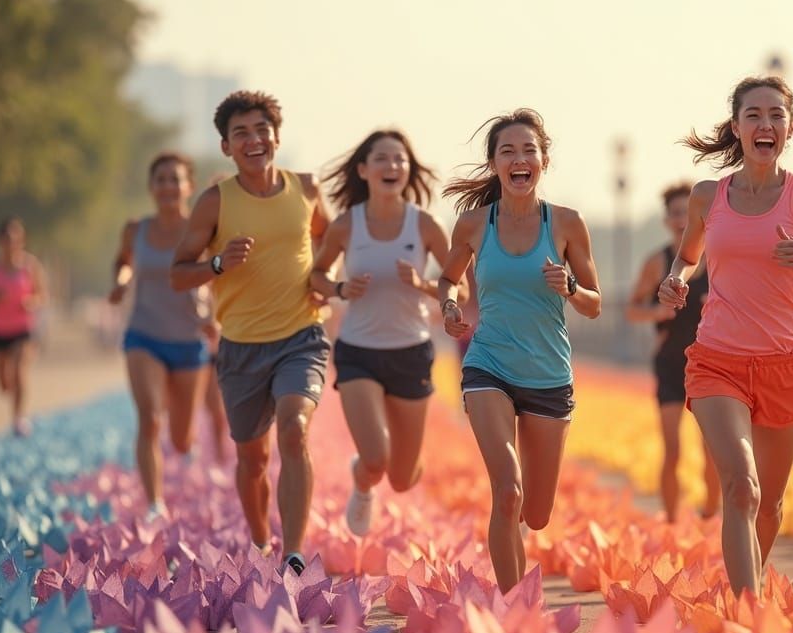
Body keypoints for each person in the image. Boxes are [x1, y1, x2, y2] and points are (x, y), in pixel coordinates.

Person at [658, 75, 793, 596]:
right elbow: (687, 257)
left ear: (788, 128)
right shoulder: (708, 196)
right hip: (717, 361)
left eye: (776, 116)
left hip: (783, 365)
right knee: (740, 487)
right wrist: (676, 281)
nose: (765, 124)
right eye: (754, 115)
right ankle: (747, 615)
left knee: (768, 505)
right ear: (737, 126)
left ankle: (746, 587)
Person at [438, 109, 602, 593]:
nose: (519, 159)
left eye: (528, 149)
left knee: (535, 512)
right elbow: (450, 280)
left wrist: (569, 286)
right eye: (507, 151)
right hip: (488, 364)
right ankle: (512, 610)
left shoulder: (568, 224)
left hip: (548, 375)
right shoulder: (471, 225)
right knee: (506, 492)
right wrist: (450, 304)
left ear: (543, 160)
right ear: (493, 165)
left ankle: (517, 590)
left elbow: (593, 305)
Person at [171, 90, 331, 575]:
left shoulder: (305, 189)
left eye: (261, 130)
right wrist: (218, 263)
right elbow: (179, 273)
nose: (253, 140)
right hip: (240, 345)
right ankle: (261, 540)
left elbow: (327, 235)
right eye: (241, 133)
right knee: (253, 460)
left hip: (301, 336)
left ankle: (294, 552)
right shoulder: (215, 202)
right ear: (226, 147)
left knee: (294, 428)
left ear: (276, 137)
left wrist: (322, 277)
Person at [310, 129, 464, 536]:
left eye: (399, 159)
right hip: (358, 350)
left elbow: (457, 286)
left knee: (402, 478)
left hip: (411, 352)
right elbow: (317, 275)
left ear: (408, 170)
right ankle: (362, 483)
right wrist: (340, 289)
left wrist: (423, 285)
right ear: (363, 170)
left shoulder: (426, 225)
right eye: (382, 158)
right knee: (375, 459)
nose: (392, 166)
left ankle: (390, 468)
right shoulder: (346, 225)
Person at [109, 153, 215, 519]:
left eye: (176, 179)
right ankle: (155, 503)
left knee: (182, 436)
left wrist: (213, 317)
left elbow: (219, 276)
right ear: (151, 187)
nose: (168, 186)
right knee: (151, 418)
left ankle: (187, 453)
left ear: (189, 186)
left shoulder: (201, 230)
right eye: (161, 179)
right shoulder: (135, 229)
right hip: (144, 334)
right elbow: (123, 261)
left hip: (188, 340)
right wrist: (121, 284)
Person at [626, 182, 720, 521]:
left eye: (690, 213)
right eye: (677, 213)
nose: (683, 220)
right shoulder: (658, 262)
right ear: (667, 219)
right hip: (670, 364)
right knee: (673, 448)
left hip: (712, 364)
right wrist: (656, 312)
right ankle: (670, 520)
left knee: (712, 450)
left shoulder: (720, 258)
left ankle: (711, 514)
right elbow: (632, 308)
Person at [0, 217, 47, 437]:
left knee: (19, 373)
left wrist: (32, 302)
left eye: (16, 238)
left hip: (23, 329)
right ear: (0, 241)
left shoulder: (30, 266)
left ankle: (18, 419)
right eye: (7, 238)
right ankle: (7, 385)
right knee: (5, 383)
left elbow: (42, 294)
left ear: (22, 241)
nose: (12, 242)